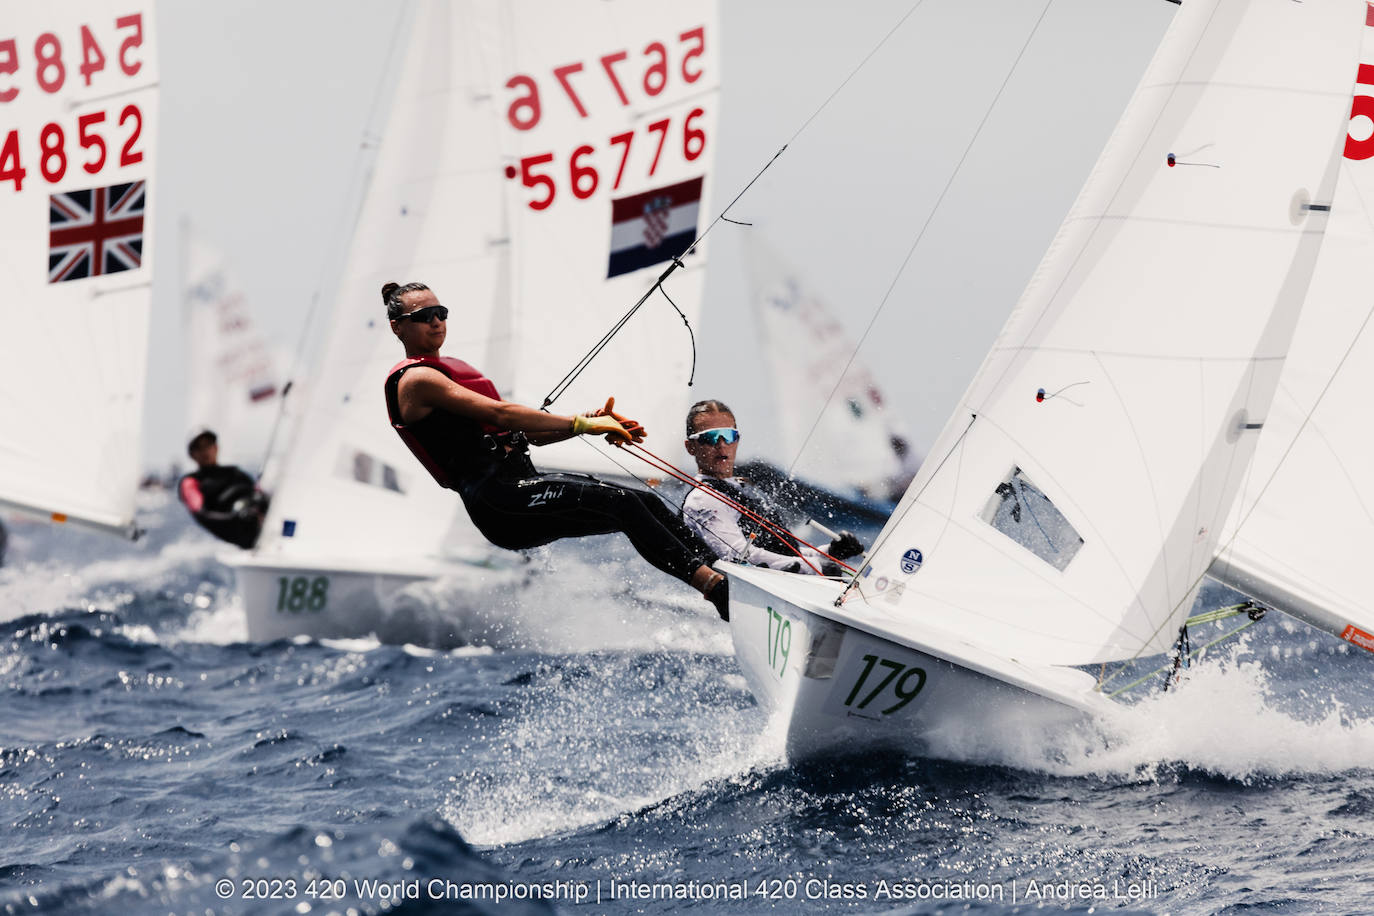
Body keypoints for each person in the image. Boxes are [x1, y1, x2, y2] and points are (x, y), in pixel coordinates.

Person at [381, 281, 731, 620]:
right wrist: (580, 424)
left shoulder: (452, 372)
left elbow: (528, 436)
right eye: (423, 316)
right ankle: (716, 589)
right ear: (398, 328)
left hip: (522, 489)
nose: (436, 321)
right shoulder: (417, 381)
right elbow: (499, 414)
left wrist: (594, 420)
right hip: (498, 503)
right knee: (622, 504)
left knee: (645, 501)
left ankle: (726, 571)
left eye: (440, 312)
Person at [680, 399, 864, 575]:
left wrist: (828, 553)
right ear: (691, 447)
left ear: (737, 439)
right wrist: (813, 567)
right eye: (709, 438)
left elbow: (781, 553)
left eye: (729, 436)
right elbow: (737, 556)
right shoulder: (702, 500)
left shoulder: (740, 486)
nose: (721, 445)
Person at [177, 430, 269, 549]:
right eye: (199, 448)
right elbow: (201, 512)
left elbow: (258, 491)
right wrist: (237, 516)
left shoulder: (235, 472)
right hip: (239, 530)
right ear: (192, 454)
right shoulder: (190, 481)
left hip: (262, 521)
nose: (205, 451)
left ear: (216, 447)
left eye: (208, 445)